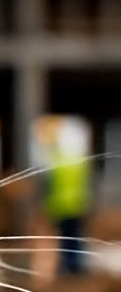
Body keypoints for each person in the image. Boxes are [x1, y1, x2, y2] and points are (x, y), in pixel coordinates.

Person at [38, 117, 93, 275]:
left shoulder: (55, 161)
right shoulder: (76, 159)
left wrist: (46, 208)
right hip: (78, 205)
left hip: (61, 207)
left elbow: (49, 188)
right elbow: (86, 183)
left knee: (66, 238)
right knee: (75, 236)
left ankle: (67, 265)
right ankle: (76, 265)